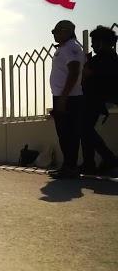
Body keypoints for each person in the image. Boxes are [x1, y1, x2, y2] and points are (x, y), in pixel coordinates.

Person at [48, 20, 86, 179]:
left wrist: (64, 97)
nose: (54, 34)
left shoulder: (71, 48)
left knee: (68, 134)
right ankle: (68, 166)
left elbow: (74, 71)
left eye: (56, 31)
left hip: (68, 97)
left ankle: (70, 167)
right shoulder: (67, 48)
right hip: (64, 96)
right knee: (64, 134)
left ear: (66, 31)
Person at [80, 25, 118, 175]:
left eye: (94, 42)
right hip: (99, 99)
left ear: (101, 42)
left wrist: (85, 65)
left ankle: (107, 159)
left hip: (96, 99)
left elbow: (87, 77)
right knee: (85, 128)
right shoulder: (112, 58)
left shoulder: (101, 60)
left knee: (84, 129)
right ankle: (92, 163)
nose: (92, 46)